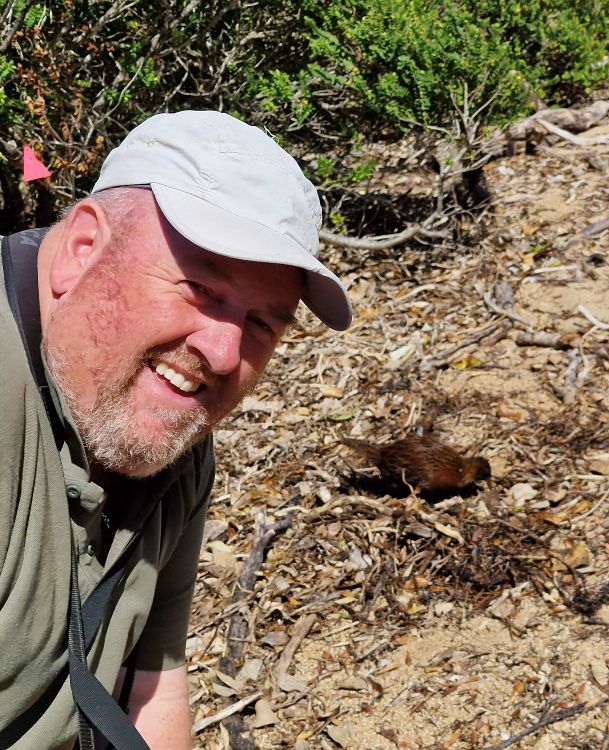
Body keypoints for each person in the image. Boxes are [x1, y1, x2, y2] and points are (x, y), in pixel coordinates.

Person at [0, 110, 352, 749]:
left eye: (261, 324)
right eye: (199, 289)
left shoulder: (168, 435)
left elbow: (150, 683)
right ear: (83, 251)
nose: (223, 352)